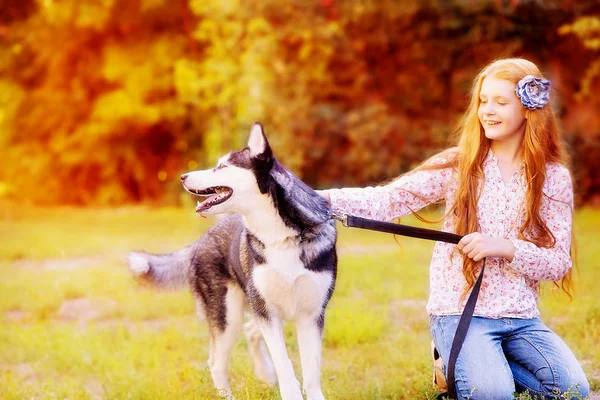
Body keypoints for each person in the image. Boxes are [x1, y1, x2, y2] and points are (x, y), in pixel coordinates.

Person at [318, 58, 590, 399]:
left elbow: (558, 263)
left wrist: (505, 248)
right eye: (482, 101)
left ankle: (474, 364)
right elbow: (388, 201)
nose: (487, 111)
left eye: (500, 102)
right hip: (460, 313)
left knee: (574, 391)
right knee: (492, 395)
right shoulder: (459, 164)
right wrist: (313, 199)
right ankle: (461, 360)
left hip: (521, 318)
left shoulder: (553, 178)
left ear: (528, 110)